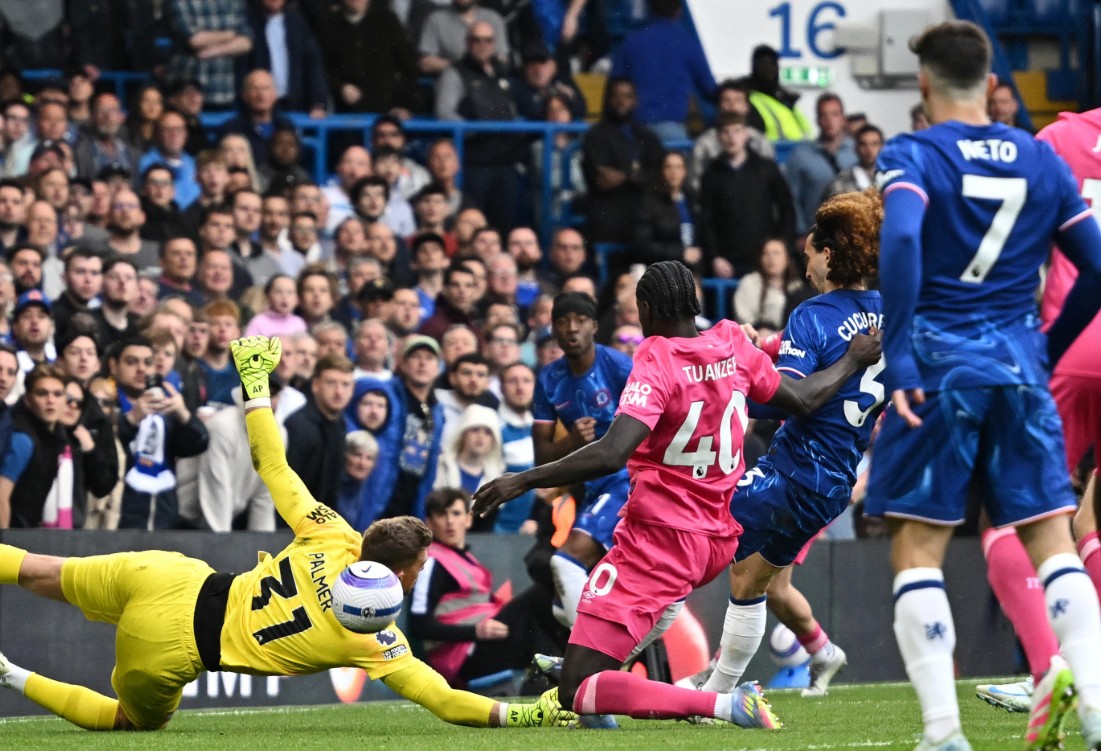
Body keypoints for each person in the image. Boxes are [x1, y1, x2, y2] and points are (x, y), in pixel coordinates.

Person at [0, 334, 569, 731]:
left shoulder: (330, 532)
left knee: (39, 570)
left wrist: (256, 385)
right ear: (400, 573)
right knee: (126, 721)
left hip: (172, 576)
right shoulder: (368, 633)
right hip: (174, 648)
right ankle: (9, 672)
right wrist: (525, 713)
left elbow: (273, 466)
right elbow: (445, 703)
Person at [473, 260, 881, 726]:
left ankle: (723, 703)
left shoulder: (657, 357)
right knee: (643, 623)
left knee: (576, 689)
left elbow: (612, 452)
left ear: (647, 309)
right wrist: (852, 359)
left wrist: (522, 479)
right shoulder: (731, 341)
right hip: (714, 535)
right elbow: (803, 399)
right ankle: (606, 681)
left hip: (659, 537)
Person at [865, 21, 1101, 751]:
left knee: (915, 546)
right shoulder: (1039, 160)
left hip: (938, 368)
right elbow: (1095, 266)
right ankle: (1095, 709)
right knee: (1052, 541)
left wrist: (900, 352)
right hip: (1018, 368)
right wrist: (1042, 349)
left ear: (923, 85)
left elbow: (901, 237)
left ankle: (942, 731)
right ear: (993, 83)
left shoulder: (911, 152)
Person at [701, 189, 884, 699]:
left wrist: (735, 392)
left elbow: (793, 398)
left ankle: (599, 658)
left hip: (795, 469)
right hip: (835, 482)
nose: (805, 267)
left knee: (692, 544)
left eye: (807, 255)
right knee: (750, 582)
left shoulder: (814, 313)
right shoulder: (890, 314)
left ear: (828, 253)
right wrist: (758, 347)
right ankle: (718, 692)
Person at [530, 292, 632, 630]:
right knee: (573, 602)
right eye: (562, 321)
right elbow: (541, 455)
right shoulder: (548, 379)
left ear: (595, 327)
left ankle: (587, 659)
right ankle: (610, 669)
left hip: (629, 480)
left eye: (580, 320)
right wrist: (572, 440)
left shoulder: (619, 367)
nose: (571, 328)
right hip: (590, 485)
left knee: (566, 562)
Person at [409, 488, 568, 686]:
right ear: (430, 524)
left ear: (468, 519)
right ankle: (570, 669)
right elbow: (419, 625)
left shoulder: (467, 559)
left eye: (456, 513)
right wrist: (475, 631)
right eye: (441, 515)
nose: (450, 521)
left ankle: (558, 673)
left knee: (538, 621)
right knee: (541, 593)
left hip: (483, 642)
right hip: (462, 655)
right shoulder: (431, 561)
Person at [732, 238, 806, 335]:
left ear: (787, 258)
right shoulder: (748, 283)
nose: (771, 258)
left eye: (776, 253)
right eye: (765, 254)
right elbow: (743, 318)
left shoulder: (797, 285)